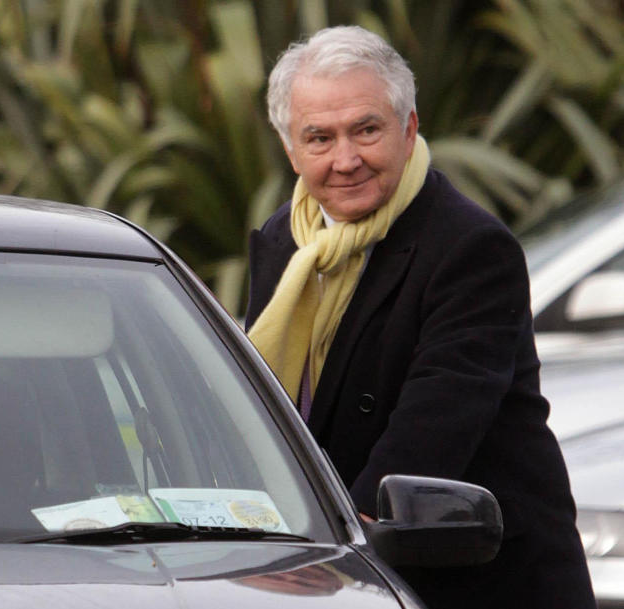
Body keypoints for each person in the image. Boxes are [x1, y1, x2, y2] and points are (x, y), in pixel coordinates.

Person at [245, 25, 595, 609]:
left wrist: (328, 551)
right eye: (319, 138)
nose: (346, 159)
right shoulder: (285, 241)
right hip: (328, 571)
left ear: (409, 129)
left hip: (476, 581)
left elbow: (430, 432)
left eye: (366, 129)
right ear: (290, 148)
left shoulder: (471, 248)